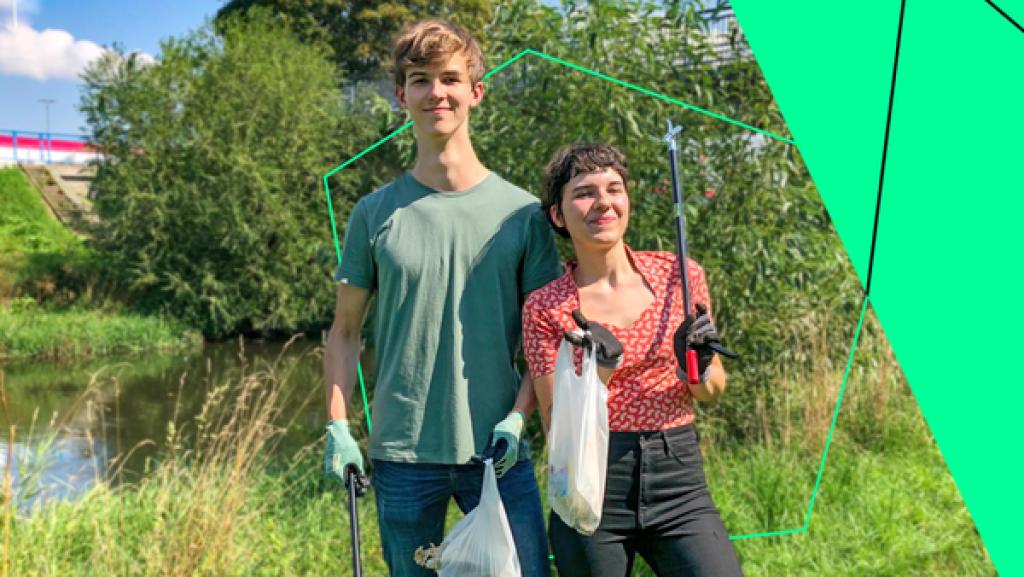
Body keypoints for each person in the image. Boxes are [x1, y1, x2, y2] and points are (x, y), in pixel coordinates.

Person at [322, 18, 563, 577]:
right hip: (402, 457)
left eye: (450, 78)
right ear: (400, 95)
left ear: (476, 91)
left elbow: (543, 341)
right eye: (420, 79)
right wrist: (338, 425)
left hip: (498, 456)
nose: (437, 92)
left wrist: (519, 418)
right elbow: (345, 332)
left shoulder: (523, 214)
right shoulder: (373, 213)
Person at [522, 144, 744, 576]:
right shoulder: (546, 308)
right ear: (557, 215)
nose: (603, 202)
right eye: (584, 192)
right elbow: (556, 425)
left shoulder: (680, 275)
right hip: (591, 480)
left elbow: (712, 390)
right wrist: (595, 377)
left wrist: (693, 366)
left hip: (678, 477)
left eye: (614, 189)